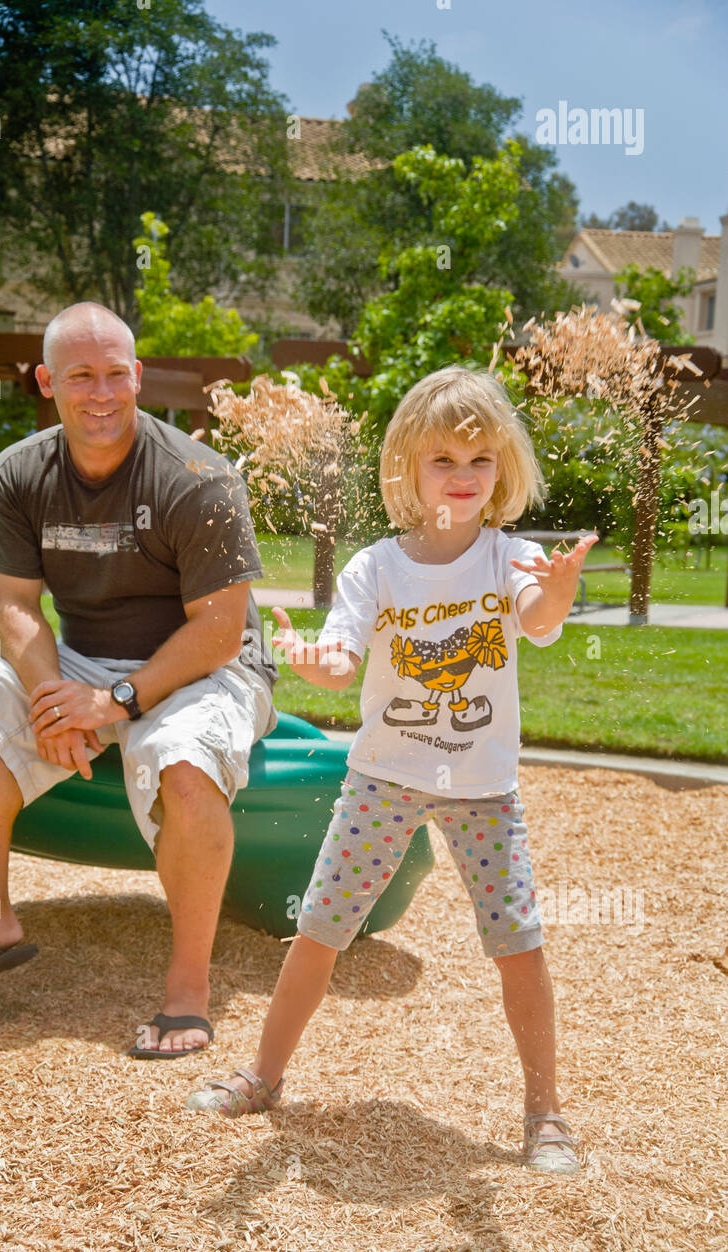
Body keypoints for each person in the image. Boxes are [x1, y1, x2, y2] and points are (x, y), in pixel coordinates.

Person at [186, 365, 597, 1175]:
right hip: (383, 777)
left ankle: (546, 1113)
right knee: (319, 930)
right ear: (407, 467)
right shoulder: (374, 568)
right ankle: (263, 1077)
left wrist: (562, 591)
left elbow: (541, 623)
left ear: (503, 468)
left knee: (520, 944)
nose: (465, 476)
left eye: (481, 461)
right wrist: (309, 657)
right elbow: (341, 662)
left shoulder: (512, 559)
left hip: (484, 790)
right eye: (444, 460)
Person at [0, 301, 279, 1060]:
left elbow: (219, 631)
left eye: (117, 374)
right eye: (81, 376)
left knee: (183, 763)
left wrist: (113, 701)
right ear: (47, 382)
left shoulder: (199, 480)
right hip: (81, 661)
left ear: (138, 377)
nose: (102, 393)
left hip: (206, 667)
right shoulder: (19, 472)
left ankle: (188, 989)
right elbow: (14, 607)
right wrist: (56, 698)